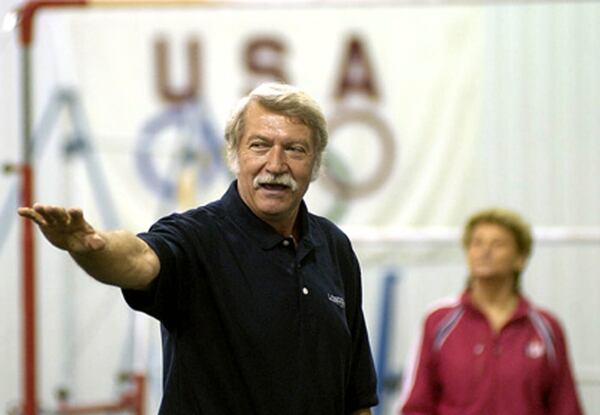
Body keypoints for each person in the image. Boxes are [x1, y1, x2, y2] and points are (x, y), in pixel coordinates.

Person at [18, 82, 378, 415]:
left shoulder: (333, 246)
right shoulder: (196, 238)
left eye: (295, 149)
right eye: (260, 145)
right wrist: (92, 250)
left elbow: (357, 394)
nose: (276, 164)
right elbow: (139, 259)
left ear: (315, 163)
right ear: (234, 153)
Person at [395, 208, 583, 415]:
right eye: (477, 243)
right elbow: (416, 405)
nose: (485, 251)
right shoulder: (438, 321)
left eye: (498, 244)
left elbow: (565, 405)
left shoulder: (546, 327)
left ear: (520, 258)